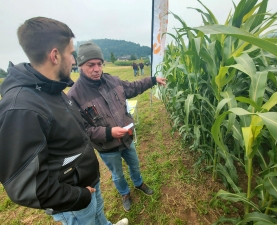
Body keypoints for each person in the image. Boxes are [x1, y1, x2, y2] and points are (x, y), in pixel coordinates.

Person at [0, 17, 128, 225]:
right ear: (55, 55)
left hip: (88, 181)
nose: (73, 61)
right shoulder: (21, 109)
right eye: (71, 54)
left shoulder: (51, 90)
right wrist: (79, 196)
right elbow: (26, 186)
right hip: (74, 199)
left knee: (99, 214)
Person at [67, 41, 167, 212]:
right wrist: (108, 133)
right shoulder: (75, 95)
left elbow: (133, 87)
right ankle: (124, 193)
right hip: (107, 147)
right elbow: (82, 130)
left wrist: (152, 80)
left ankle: (138, 183)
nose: (97, 69)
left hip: (127, 139)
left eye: (99, 64)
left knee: (134, 164)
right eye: (91, 65)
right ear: (80, 65)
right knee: (117, 174)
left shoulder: (112, 80)